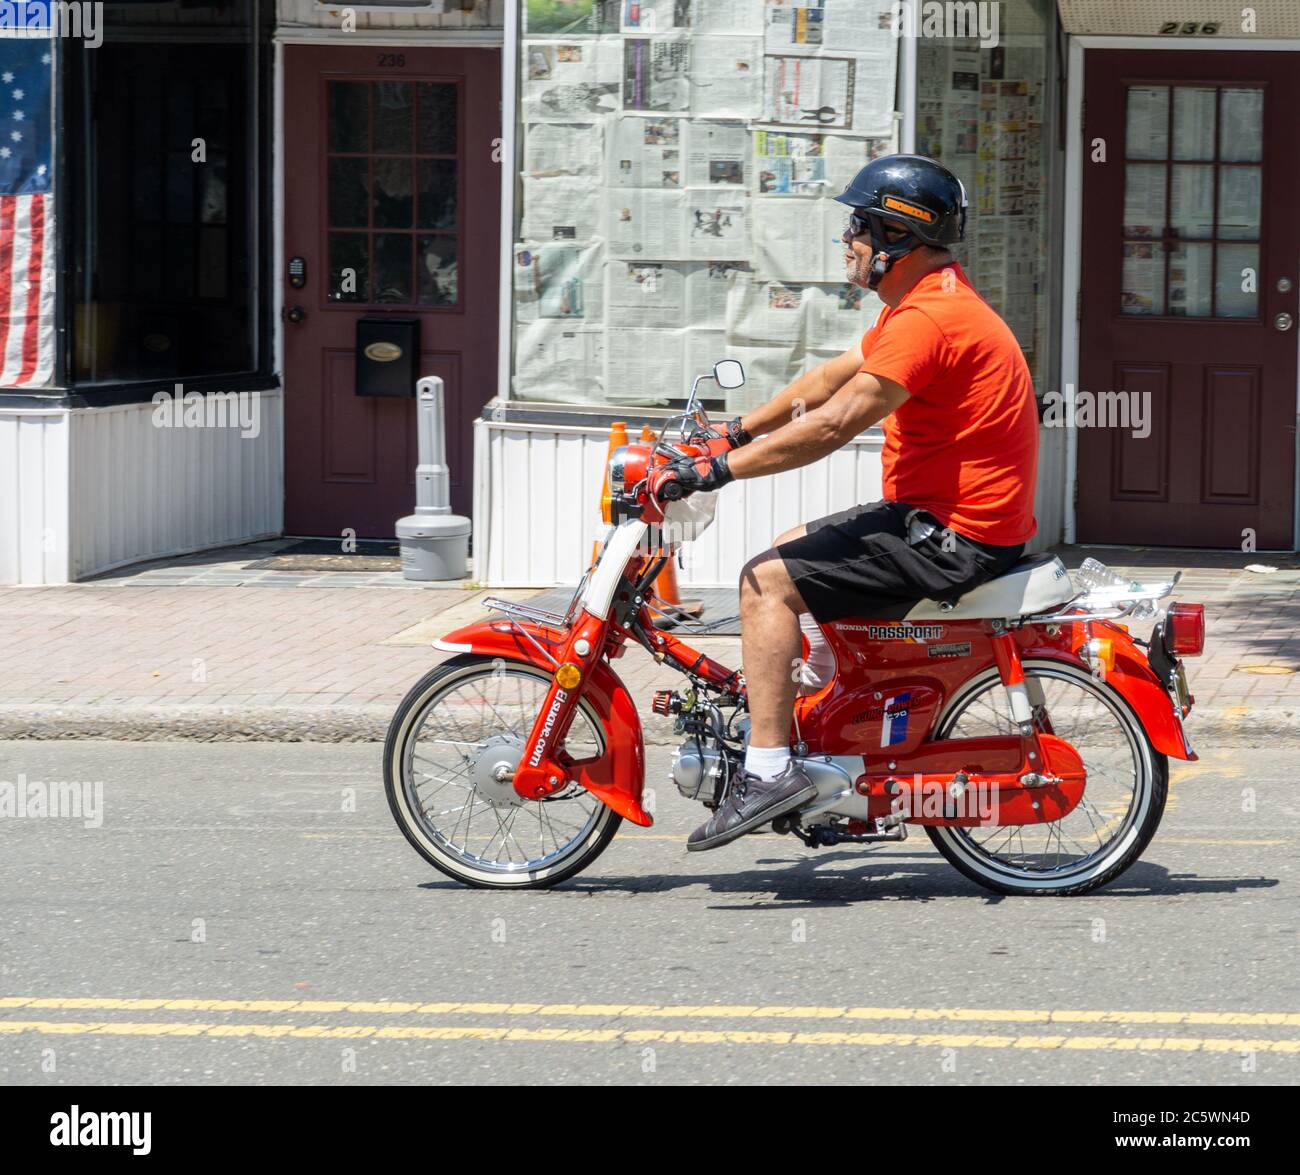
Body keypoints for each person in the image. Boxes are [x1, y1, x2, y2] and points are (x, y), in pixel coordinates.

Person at [648, 154, 1039, 852]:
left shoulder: (931, 320)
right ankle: (821, 728)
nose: (847, 240)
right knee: (796, 543)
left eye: (858, 225)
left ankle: (767, 772)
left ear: (896, 234)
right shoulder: (926, 303)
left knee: (764, 582)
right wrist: (736, 430)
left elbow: (833, 424)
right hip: (951, 522)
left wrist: (716, 471)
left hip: (954, 537)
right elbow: (830, 380)